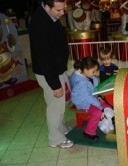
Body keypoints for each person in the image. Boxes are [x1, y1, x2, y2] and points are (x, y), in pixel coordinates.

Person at [29, 0, 74, 148]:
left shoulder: (51, 16)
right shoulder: (39, 23)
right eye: (59, 10)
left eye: (63, 9)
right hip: (49, 72)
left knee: (61, 103)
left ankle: (60, 129)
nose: (62, 13)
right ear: (47, 7)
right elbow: (44, 58)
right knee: (55, 105)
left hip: (57, 69)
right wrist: (55, 85)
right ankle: (55, 139)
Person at [70, 57, 112, 141]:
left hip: (91, 100)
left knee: (108, 107)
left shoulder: (88, 76)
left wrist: (99, 96)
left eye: (96, 71)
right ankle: (89, 132)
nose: (95, 73)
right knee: (97, 112)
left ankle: (105, 120)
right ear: (85, 70)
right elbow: (88, 98)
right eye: (93, 71)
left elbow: (94, 90)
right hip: (84, 103)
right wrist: (100, 107)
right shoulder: (80, 83)